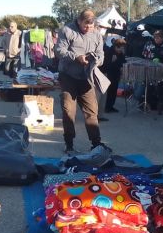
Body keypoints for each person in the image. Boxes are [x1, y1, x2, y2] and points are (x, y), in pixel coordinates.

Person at [54, 9, 105, 154]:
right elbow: (59, 50)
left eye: (91, 25)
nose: (88, 28)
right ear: (79, 20)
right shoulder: (67, 30)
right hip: (68, 76)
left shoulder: (96, 33)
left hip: (87, 77)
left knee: (91, 111)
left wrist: (98, 60)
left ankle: (96, 144)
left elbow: (101, 53)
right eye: (85, 25)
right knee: (69, 110)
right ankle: (69, 144)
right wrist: (76, 56)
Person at [102, 37, 127, 113]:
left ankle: (111, 106)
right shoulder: (109, 52)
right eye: (120, 48)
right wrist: (113, 61)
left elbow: (123, 61)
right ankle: (106, 107)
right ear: (116, 47)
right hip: (109, 73)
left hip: (116, 73)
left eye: (123, 48)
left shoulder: (121, 53)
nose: (121, 50)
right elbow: (106, 64)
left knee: (114, 90)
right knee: (109, 91)